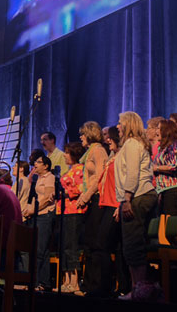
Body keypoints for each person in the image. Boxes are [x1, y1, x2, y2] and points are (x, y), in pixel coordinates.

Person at [114, 111, 159, 301]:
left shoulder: (132, 144)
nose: (117, 126)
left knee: (133, 244)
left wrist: (127, 199)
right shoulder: (133, 144)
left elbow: (132, 173)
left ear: (128, 124)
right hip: (138, 195)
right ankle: (138, 289)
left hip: (138, 195)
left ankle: (139, 290)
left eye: (120, 122)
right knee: (132, 244)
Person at [85, 126, 130, 297]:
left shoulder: (123, 155)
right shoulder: (112, 156)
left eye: (110, 137)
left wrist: (121, 204)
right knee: (114, 247)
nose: (107, 140)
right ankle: (119, 287)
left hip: (115, 204)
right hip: (106, 204)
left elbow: (125, 181)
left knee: (102, 244)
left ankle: (103, 287)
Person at [76, 121, 107, 294]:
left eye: (83, 134)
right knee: (88, 243)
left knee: (95, 243)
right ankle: (87, 284)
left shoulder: (98, 150)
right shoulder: (89, 152)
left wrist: (87, 195)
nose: (81, 137)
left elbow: (101, 176)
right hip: (90, 199)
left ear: (89, 134)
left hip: (97, 198)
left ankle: (96, 285)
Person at [22, 153, 55, 291]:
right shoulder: (38, 178)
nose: (35, 164)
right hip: (38, 214)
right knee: (41, 249)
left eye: (39, 162)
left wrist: (33, 210)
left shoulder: (50, 177)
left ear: (46, 166)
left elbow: (47, 198)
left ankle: (35, 282)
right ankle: (43, 282)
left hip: (45, 215)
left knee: (40, 249)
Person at [56, 142, 85, 293]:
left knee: (71, 246)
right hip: (63, 210)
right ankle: (66, 280)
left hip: (74, 210)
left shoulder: (80, 169)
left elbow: (81, 188)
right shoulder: (70, 170)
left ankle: (75, 282)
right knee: (64, 247)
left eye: (67, 153)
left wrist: (65, 192)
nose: (65, 155)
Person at [153, 117, 177, 216]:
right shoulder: (161, 148)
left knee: (171, 220)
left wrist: (156, 168)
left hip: (172, 190)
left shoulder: (173, 145)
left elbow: (174, 165)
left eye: (158, 128)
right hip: (162, 190)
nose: (156, 131)